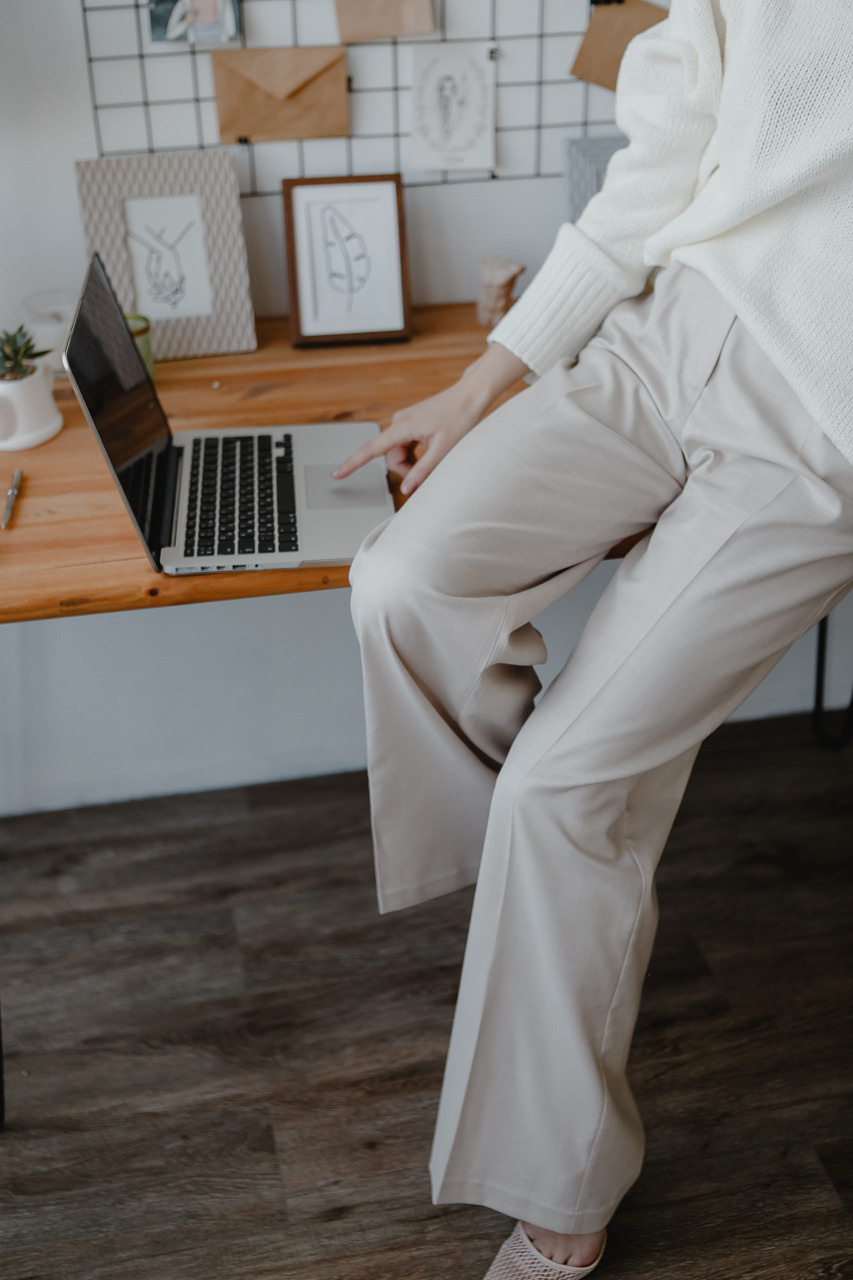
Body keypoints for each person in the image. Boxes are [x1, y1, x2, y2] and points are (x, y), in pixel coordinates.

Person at [333, 2, 853, 1276]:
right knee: (401, 580)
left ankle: (564, 1200)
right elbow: (659, 158)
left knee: (564, 791)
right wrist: (481, 381)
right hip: (664, 336)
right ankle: (543, 877)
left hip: (818, 428)